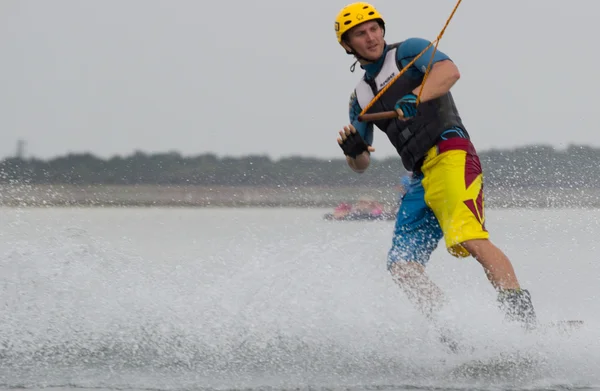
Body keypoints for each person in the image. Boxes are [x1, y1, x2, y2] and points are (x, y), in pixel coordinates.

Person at [333, 2, 537, 329]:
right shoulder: (359, 98)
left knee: (471, 239)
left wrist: (416, 95)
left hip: (451, 153)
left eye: (374, 28)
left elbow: (449, 72)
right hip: (419, 177)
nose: (371, 37)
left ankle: (526, 327)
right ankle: (452, 330)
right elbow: (361, 164)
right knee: (401, 264)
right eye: (360, 34)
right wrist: (352, 150)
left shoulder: (409, 52)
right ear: (347, 45)